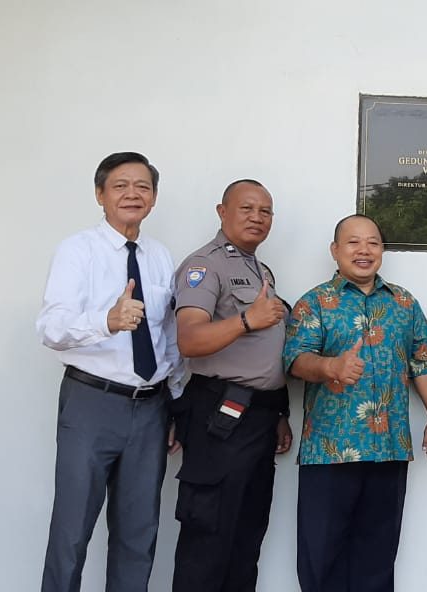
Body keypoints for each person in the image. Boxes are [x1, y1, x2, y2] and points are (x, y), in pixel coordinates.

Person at [37, 151, 181, 592]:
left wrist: (174, 403)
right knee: (72, 531)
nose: (132, 194)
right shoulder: (77, 250)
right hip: (90, 404)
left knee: (139, 534)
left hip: (151, 409)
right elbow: (50, 328)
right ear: (100, 194)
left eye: (142, 186)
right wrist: (107, 320)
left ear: (154, 198)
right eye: (120, 185)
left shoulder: (159, 256)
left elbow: (168, 337)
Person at [284, 214, 427, 592]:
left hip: (388, 449)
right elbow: (294, 361)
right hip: (330, 452)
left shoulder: (403, 302)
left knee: (377, 560)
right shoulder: (315, 302)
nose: (364, 250)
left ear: (382, 250)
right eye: (353, 242)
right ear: (335, 250)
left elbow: (423, 361)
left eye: (373, 242)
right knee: (321, 558)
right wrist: (331, 366)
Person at [170, 179, 293, 592]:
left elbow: (264, 355)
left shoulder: (258, 269)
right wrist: (246, 320)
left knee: (245, 540)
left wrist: (278, 412)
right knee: (209, 541)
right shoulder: (205, 266)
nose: (257, 218)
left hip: (258, 418)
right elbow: (189, 339)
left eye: (266, 211)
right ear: (222, 211)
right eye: (247, 208)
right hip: (219, 420)